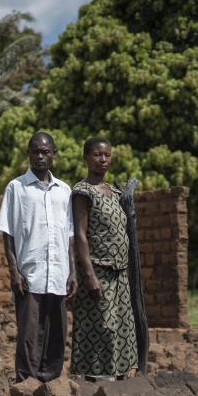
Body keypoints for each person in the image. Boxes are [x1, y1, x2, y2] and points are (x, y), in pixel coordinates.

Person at [0, 132, 77, 383]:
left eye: (45, 151)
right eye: (35, 151)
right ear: (28, 154)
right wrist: (13, 272)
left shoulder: (64, 190)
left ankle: (51, 384)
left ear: (53, 154)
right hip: (30, 274)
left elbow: (70, 234)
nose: (40, 156)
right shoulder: (16, 188)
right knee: (29, 334)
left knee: (57, 332)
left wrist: (73, 271)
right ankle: (26, 384)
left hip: (59, 274)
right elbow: (6, 231)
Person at [70, 136, 139, 381]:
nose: (103, 159)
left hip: (120, 273)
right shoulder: (82, 192)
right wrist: (88, 275)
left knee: (121, 326)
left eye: (107, 154)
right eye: (97, 155)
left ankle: (119, 378)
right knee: (102, 328)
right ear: (86, 158)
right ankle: (94, 381)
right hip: (98, 272)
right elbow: (80, 234)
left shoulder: (118, 192)